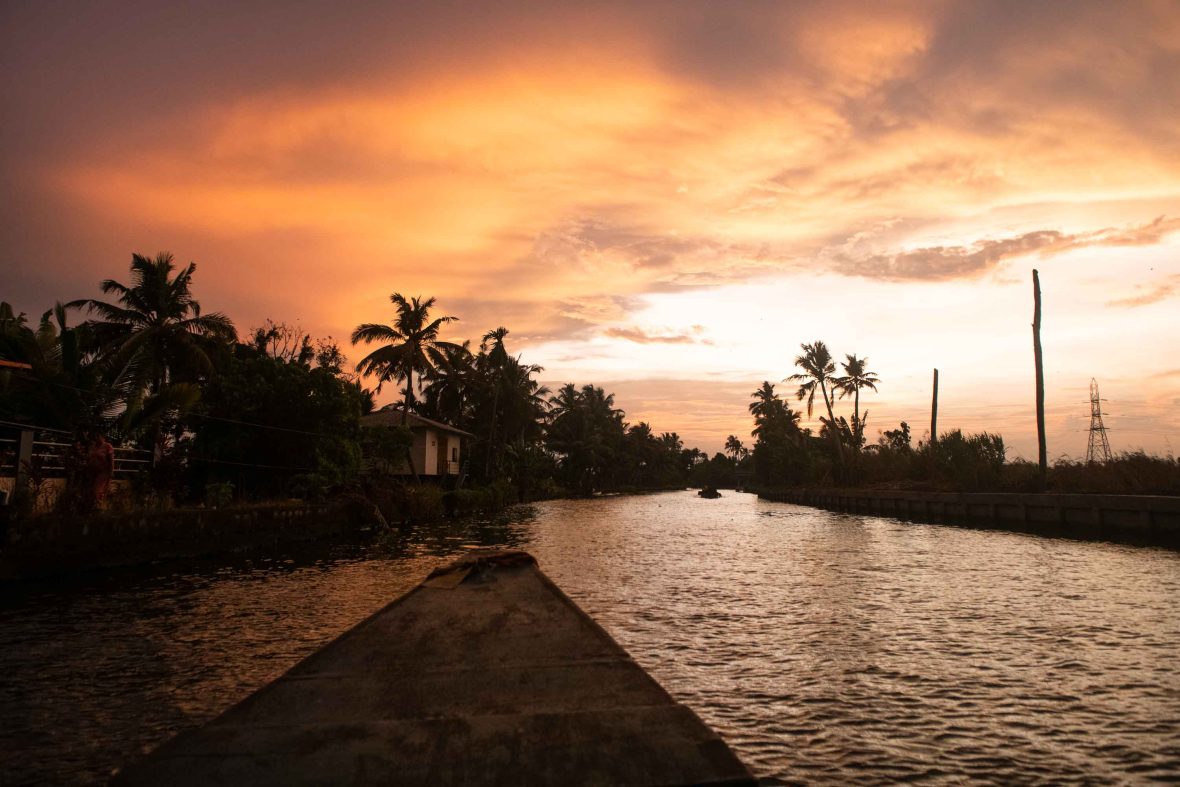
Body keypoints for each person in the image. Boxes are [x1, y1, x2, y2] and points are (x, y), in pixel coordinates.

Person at [87, 431, 115, 508]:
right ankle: (97, 507)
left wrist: (111, 472)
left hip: (103, 472)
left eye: (98, 436)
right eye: (95, 436)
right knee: (92, 491)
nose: (96, 438)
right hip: (93, 471)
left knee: (97, 491)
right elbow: (89, 458)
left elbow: (111, 460)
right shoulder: (93, 446)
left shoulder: (107, 446)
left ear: (103, 437)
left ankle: (99, 508)